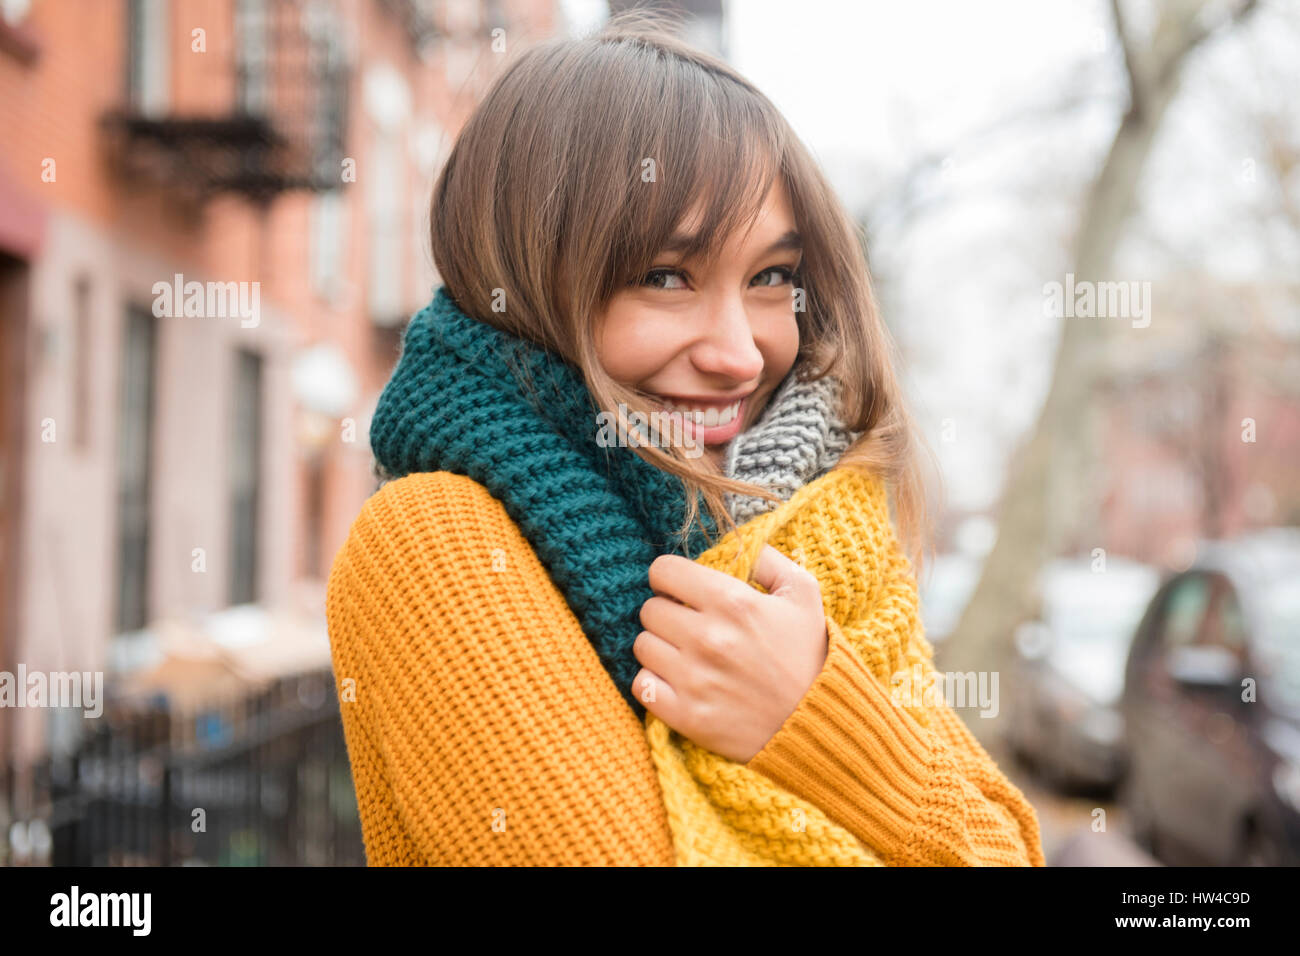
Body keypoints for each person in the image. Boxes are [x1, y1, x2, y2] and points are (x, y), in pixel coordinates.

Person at [326, 9, 1045, 866]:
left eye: (772, 277)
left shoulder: (823, 542)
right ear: (524, 278)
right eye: (665, 277)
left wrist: (817, 719)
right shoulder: (434, 545)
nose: (740, 355)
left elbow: (1006, 847)